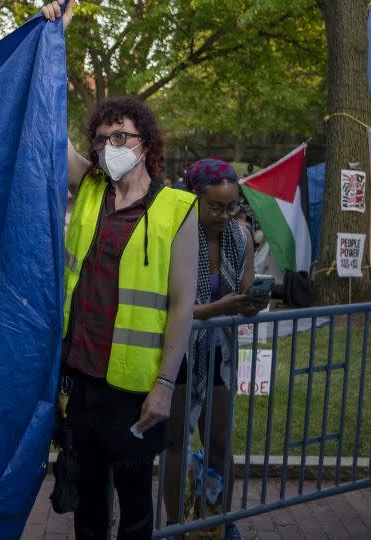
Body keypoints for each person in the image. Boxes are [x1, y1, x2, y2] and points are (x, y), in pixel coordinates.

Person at [44, 3, 198, 538]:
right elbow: (46, 121)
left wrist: (165, 385)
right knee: (86, 500)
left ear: (145, 145)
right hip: (81, 375)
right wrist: (52, 40)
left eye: (122, 136)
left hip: (134, 387)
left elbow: (183, 305)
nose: (111, 146)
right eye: (103, 136)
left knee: (134, 506)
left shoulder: (178, 207)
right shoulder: (88, 187)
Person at [162, 158, 268, 540]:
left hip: (219, 352)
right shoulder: (173, 234)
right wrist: (218, 309)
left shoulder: (240, 237)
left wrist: (253, 300)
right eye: (216, 207)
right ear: (194, 198)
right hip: (179, 352)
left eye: (232, 206)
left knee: (220, 442)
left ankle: (218, 521)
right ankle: (175, 526)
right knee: (175, 442)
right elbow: (169, 305)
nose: (225, 215)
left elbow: (246, 283)